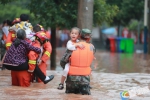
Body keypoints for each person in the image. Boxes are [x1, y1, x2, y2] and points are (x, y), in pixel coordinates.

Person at [65, 28, 95, 95]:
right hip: (85, 80)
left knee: (70, 97)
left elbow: (63, 61)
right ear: (89, 38)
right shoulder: (92, 48)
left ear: (79, 35)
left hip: (72, 79)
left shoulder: (72, 46)